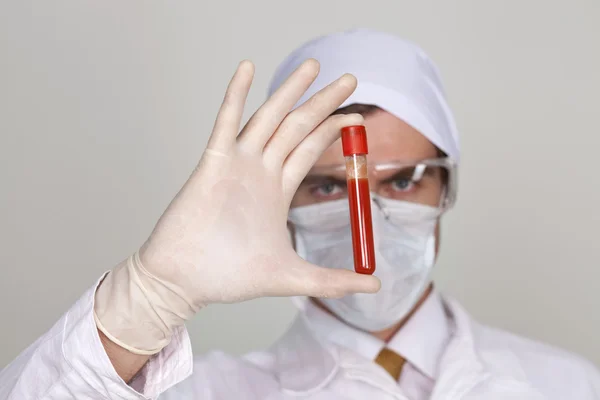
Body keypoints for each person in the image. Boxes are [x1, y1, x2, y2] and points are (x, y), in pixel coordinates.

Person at [1, 29, 599, 400]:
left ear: (447, 187)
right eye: (323, 187)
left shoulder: (570, 387)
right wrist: (148, 297)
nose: (369, 218)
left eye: (405, 180)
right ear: (278, 207)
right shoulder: (203, 393)